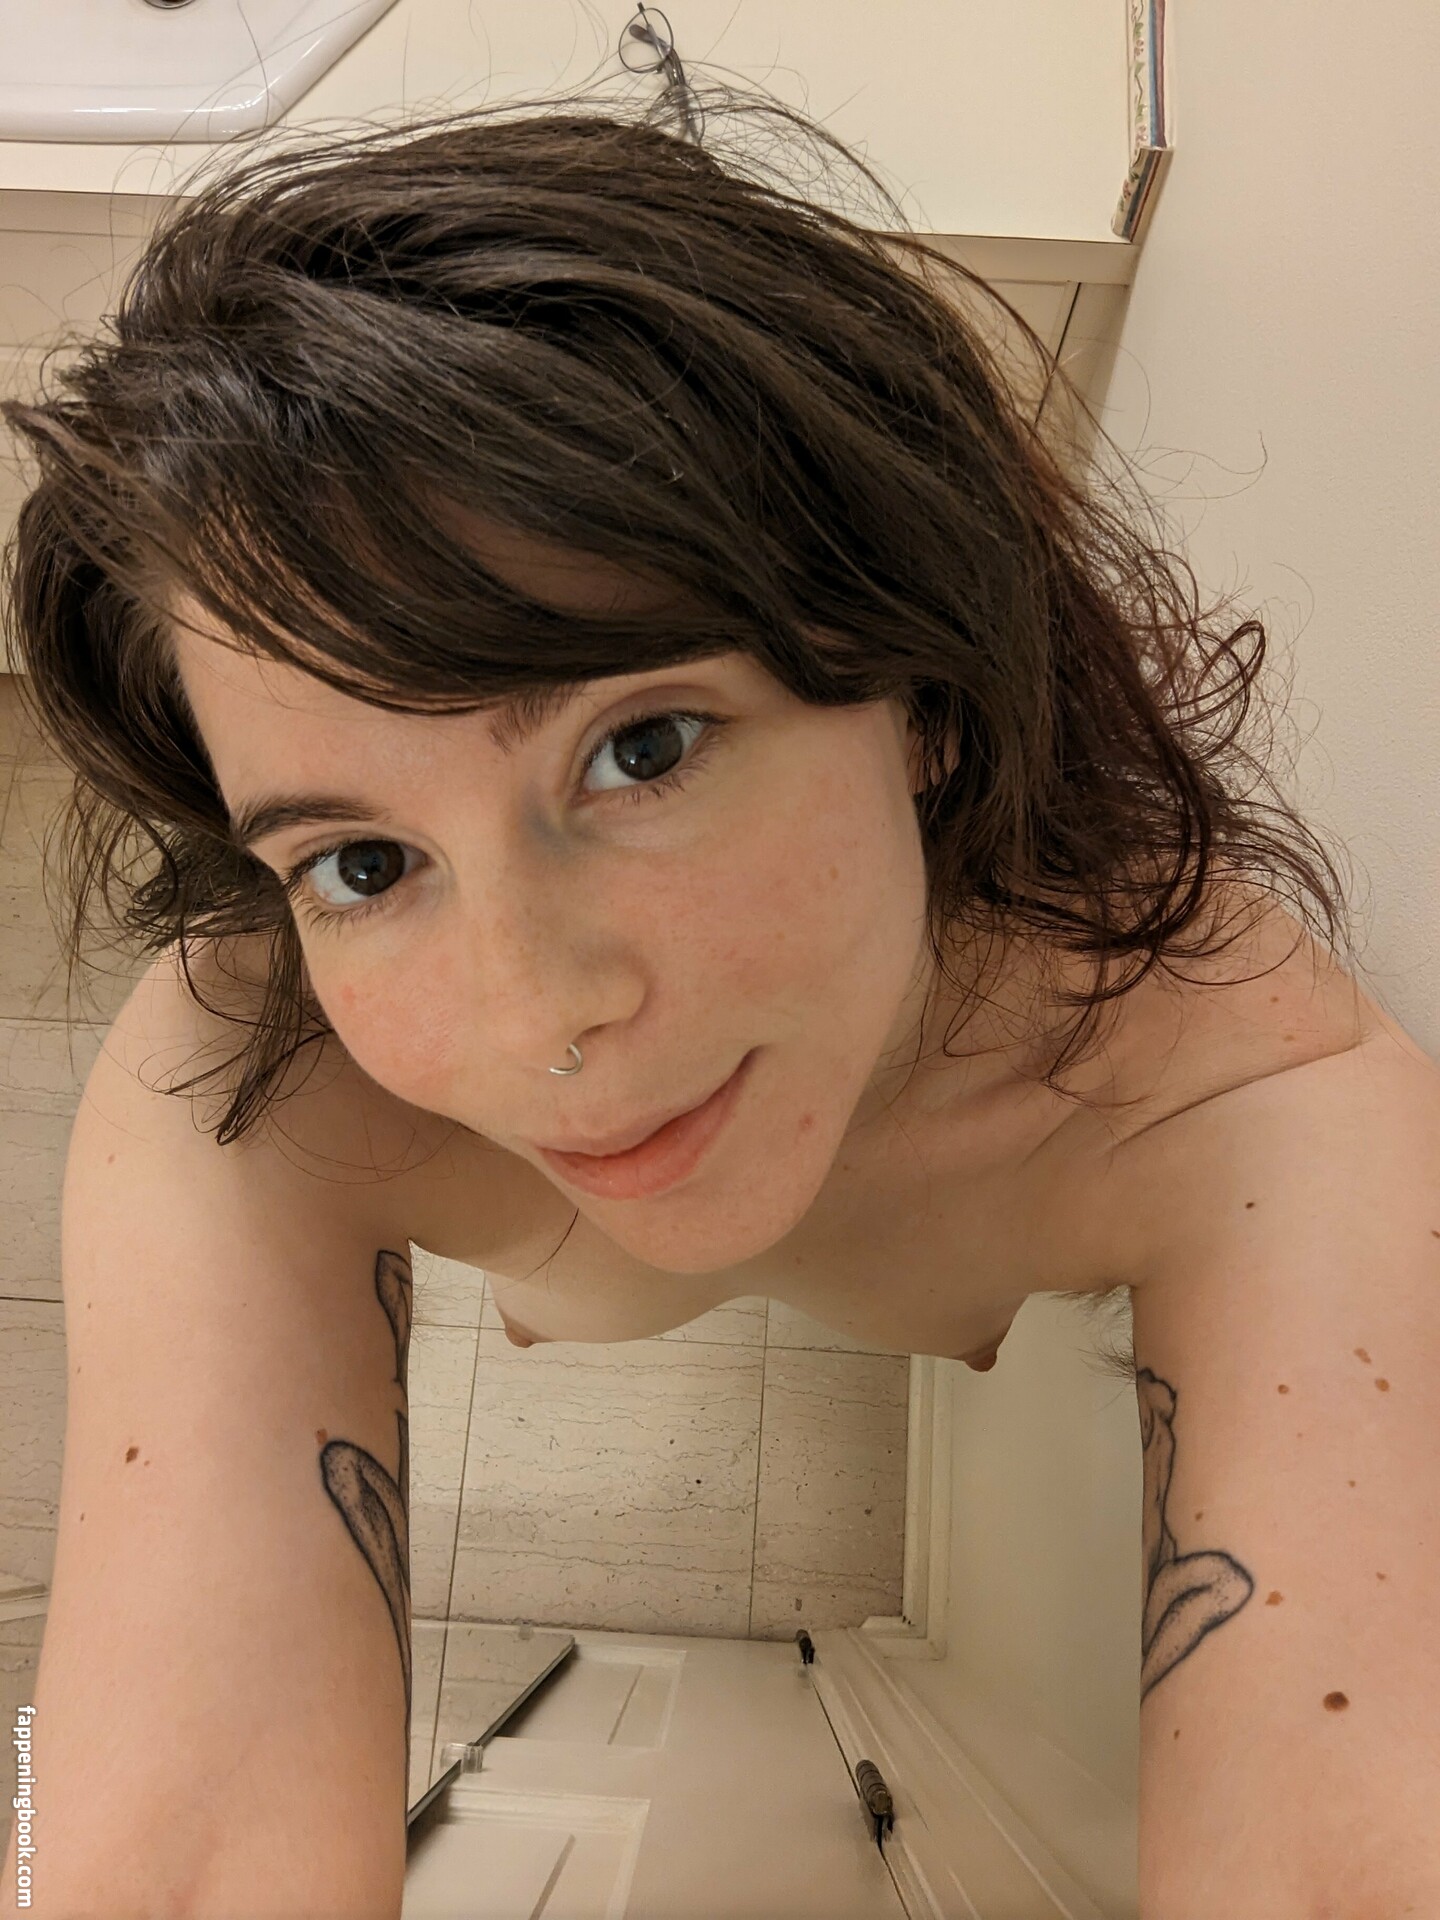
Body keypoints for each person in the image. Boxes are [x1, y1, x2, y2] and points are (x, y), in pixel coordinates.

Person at [2, 92, 1435, 1920]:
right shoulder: (244, 1073)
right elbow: (169, 1861)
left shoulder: (1230, 1070)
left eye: (645, 748)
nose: (539, 1020)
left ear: (924, 690)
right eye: (363, 860)